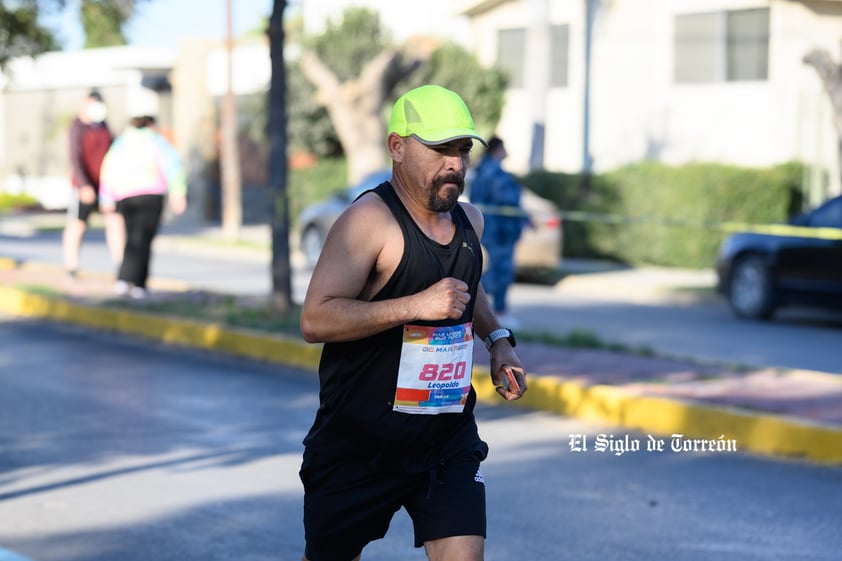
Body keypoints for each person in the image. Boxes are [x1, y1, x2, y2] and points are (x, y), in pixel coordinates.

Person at [298, 84, 527, 561]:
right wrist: (413, 305)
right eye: (440, 149)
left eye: (462, 150)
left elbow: (469, 284)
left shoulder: (470, 221)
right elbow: (316, 318)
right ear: (397, 147)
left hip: (445, 438)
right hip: (359, 442)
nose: (455, 164)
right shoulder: (368, 222)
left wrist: (498, 340)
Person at [99, 114, 187, 299]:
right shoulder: (157, 142)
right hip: (151, 195)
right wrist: (178, 193)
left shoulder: (121, 143)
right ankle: (139, 283)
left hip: (125, 196)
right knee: (144, 240)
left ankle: (124, 279)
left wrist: (105, 198)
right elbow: (173, 166)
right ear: (150, 125)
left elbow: (108, 170)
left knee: (131, 238)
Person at [63, 90, 125, 279]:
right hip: (84, 186)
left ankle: (121, 266)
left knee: (115, 222)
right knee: (78, 224)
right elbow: (75, 158)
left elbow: (114, 154)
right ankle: (71, 266)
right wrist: (83, 185)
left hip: (105, 186)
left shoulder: (104, 127)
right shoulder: (77, 127)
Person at [469, 136, 528, 327]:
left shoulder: (483, 170)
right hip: (499, 231)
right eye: (504, 148)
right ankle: (489, 310)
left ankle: (489, 309)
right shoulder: (492, 173)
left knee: (498, 271)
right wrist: (523, 216)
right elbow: (506, 199)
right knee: (500, 272)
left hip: (495, 229)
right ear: (497, 149)